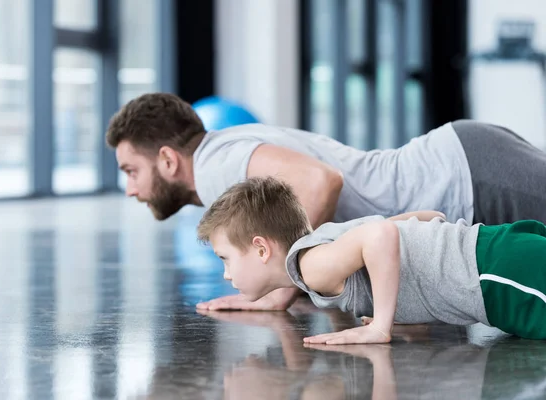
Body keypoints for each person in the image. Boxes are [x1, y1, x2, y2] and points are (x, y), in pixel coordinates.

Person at [105, 92, 546, 311]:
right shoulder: (224, 148)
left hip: (466, 174)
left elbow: (320, 183)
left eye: (131, 171)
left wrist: (282, 288)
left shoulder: (216, 165)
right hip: (464, 165)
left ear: (166, 159)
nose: (129, 189)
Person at [196, 176, 546, 343]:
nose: (226, 275)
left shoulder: (310, 266)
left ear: (261, 249)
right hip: (499, 249)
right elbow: (427, 216)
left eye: (225, 259)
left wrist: (382, 324)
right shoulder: (329, 237)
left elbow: (381, 236)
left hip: (495, 275)